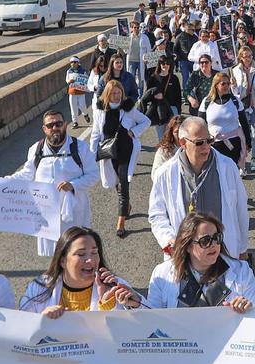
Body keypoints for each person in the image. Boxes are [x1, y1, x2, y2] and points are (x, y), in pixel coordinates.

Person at [0, 111, 97, 256]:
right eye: (50, 125)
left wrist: (73, 185)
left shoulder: (80, 148)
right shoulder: (36, 150)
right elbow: (26, 174)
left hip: (74, 211)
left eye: (58, 124)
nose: (55, 128)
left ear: (65, 125)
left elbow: (93, 174)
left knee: (76, 251)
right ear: (44, 129)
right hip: (47, 214)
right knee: (55, 255)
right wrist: (0, 183)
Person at [148, 116, 250, 258]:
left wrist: (243, 247)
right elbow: (157, 214)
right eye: (199, 143)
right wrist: (169, 239)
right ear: (183, 142)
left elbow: (241, 209)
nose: (206, 147)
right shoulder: (165, 173)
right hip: (186, 256)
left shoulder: (227, 167)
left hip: (222, 253)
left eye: (209, 141)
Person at [146, 213, 255, 311]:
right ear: (187, 246)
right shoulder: (162, 274)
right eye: (205, 240)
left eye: (217, 238)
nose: (214, 245)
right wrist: (137, 303)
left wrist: (248, 308)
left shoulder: (241, 270)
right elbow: (151, 317)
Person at [19, 226, 143, 317]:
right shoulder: (40, 287)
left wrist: (135, 304)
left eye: (94, 253)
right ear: (62, 261)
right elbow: (21, 330)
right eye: (81, 254)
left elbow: (145, 327)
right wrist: (42, 320)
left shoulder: (116, 286)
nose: (90, 260)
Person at [90, 79, 152, 238]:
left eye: (119, 93)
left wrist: (134, 132)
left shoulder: (129, 109)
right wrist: (92, 154)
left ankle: (121, 222)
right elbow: (96, 133)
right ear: (107, 94)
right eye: (113, 93)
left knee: (124, 183)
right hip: (109, 152)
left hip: (126, 150)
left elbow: (146, 121)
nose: (117, 96)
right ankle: (127, 206)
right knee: (115, 182)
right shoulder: (99, 111)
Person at [199, 71, 252, 169]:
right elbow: (201, 125)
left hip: (234, 143)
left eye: (228, 83)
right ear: (216, 85)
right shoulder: (206, 102)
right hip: (214, 144)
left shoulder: (235, 101)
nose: (227, 86)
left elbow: (244, 122)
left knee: (232, 171)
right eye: (223, 83)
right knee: (217, 172)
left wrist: (248, 142)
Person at [141, 55, 182, 139]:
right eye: (162, 63)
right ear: (159, 64)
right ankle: (163, 151)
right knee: (161, 137)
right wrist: (155, 96)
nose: (165, 65)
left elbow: (178, 96)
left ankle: (172, 152)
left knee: (173, 135)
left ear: (170, 65)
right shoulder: (153, 78)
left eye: (167, 63)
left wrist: (179, 110)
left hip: (172, 108)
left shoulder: (174, 78)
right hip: (158, 109)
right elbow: (146, 95)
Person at [64, 55, 91, 127]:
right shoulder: (69, 71)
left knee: (83, 106)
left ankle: (85, 114)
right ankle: (75, 122)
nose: (72, 63)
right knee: (73, 108)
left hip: (80, 92)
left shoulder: (83, 71)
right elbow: (67, 80)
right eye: (71, 62)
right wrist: (69, 81)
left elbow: (86, 79)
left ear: (78, 63)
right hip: (72, 92)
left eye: (74, 62)